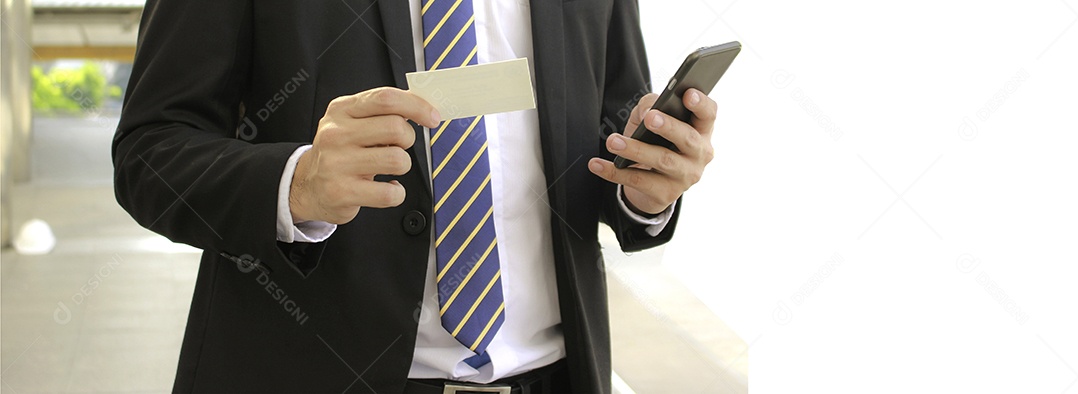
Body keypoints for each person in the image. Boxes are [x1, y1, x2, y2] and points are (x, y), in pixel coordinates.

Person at [113, 0, 717, 392]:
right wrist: (296, 184)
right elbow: (150, 149)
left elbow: (612, 128)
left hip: (555, 376)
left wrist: (648, 186)